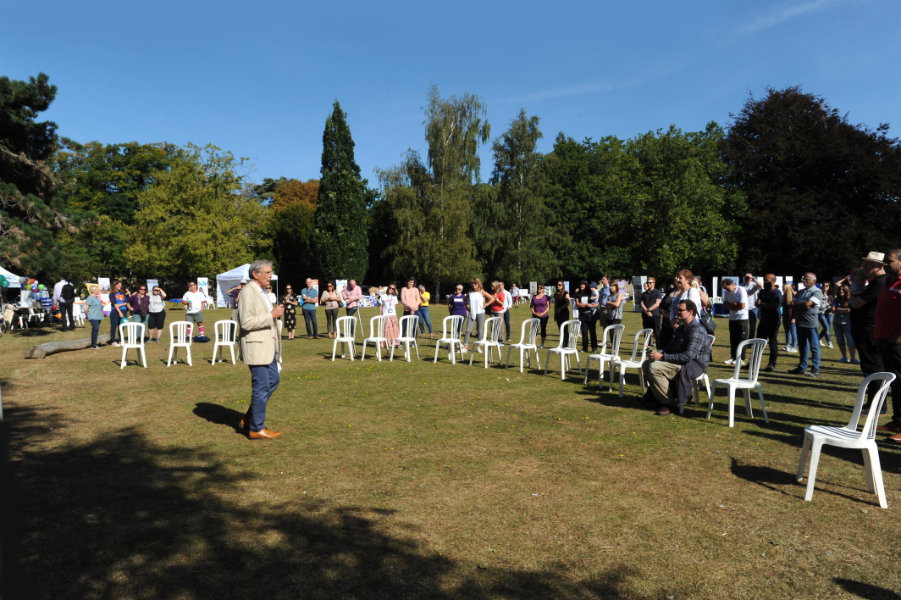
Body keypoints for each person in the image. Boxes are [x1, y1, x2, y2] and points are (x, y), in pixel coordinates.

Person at [236, 259, 284, 440]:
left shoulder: (261, 291)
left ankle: (249, 420)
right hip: (256, 347)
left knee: (273, 381)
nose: (270, 276)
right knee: (262, 385)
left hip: (268, 346)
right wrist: (271, 315)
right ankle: (256, 428)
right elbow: (246, 322)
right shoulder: (248, 292)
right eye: (267, 273)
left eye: (271, 272)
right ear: (255, 274)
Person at [640, 299, 710, 416]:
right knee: (646, 364)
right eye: (677, 310)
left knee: (654, 367)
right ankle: (659, 399)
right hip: (682, 360)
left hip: (695, 364)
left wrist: (662, 357)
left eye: (680, 310)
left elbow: (688, 356)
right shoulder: (681, 328)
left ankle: (669, 404)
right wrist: (657, 352)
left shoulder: (697, 330)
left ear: (690, 312)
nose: (677, 312)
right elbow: (671, 348)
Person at [851, 253, 887, 410]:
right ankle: (875, 402)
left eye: (868, 265)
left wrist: (853, 299)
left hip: (869, 329)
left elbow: (857, 303)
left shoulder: (879, 282)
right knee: (870, 366)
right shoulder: (875, 282)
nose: (864, 268)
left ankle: (877, 403)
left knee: (873, 366)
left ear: (879, 266)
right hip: (865, 328)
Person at [874, 249, 901, 442]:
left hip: (897, 342)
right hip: (884, 339)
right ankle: (897, 420)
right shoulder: (888, 282)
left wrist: (898, 336)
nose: (885, 264)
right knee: (895, 383)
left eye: (889, 261)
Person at [787, 273, 823, 377]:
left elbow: (807, 305)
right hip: (800, 323)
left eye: (806, 279)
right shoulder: (801, 292)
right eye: (803, 279)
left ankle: (815, 369)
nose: (804, 281)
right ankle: (802, 367)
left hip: (811, 324)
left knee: (814, 347)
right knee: (802, 347)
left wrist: (801, 305)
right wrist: (802, 305)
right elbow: (791, 304)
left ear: (813, 281)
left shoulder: (817, 291)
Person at [755, 274, 783, 372]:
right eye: (764, 280)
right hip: (763, 320)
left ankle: (771, 363)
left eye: (767, 280)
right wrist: (763, 304)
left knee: (772, 342)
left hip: (774, 320)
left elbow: (774, 306)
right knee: (758, 342)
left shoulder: (777, 293)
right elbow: (757, 303)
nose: (765, 282)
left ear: (773, 281)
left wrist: (762, 304)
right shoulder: (762, 292)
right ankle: (754, 362)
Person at [721, 278, 749, 365]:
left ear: (732, 284)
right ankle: (733, 357)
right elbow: (725, 304)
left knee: (742, 338)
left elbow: (742, 305)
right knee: (733, 339)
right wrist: (734, 305)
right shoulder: (727, 292)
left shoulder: (741, 291)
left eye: (727, 288)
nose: (726, 290)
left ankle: (741, 358)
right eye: (725, 289)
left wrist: (733, 306)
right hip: (732, 318)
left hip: (742, 318)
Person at [831, 280, 857, 364]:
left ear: (846, 291)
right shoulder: (836, 299)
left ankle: (853, 358)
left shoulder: (851, 299)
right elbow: (833, 310)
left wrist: (839, 310)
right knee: (840, 341)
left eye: (843, 290)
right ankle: (844, 357)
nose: (841, 291)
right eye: (840, 290)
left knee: (850, 341)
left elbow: (850, 310)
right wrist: (844, 310)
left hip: (848, 323)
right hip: (837, 323)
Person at [463, 278, 492, 352]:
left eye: (475, 283)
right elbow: (464, 300)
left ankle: (478, 346)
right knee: (468, 330)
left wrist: (486, 304)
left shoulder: (482, 292)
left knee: (479, 330)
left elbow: (492, 298)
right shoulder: (470, 293)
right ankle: (465, 346)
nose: (473, 285)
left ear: (478, 284)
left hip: (480, 313)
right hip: (472, 312)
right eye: (472, 283)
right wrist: (467, 306)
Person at [574, 281, 597, 353]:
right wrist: (587, 305)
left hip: (591, 314)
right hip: (582, 315)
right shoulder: (577, 294)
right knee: (584, 332)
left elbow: (596, 302)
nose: (582, 286)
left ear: (586, 285)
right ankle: (585, 348)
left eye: (583, 285)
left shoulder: (590, 293)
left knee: (592, 332)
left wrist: (592, 305)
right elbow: (578, 304)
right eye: (581, 284)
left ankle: (594, 348)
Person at [639, 278, 663, 344]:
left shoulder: (657, 292)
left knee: (656, 331)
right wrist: (647, 312)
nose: (648, 284)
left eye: (650, 283)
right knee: (646, 332)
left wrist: (649, 309)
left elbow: (657, 303)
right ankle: (647, 348)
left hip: (655, 314)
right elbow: (642, 303)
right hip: (645, 315)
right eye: (647, 282)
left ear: (654, 283)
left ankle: (658, 347)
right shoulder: (644, 294)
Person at [530, 284, 550, 348]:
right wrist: (535, 313)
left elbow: (548, 307)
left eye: (541, 288)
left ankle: (542, 344)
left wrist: (543, 313)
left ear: (543, 289)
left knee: (543, 330)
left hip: (544, 316)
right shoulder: (534, 297)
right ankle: (534, 344)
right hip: (535, 316)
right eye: (538, 288)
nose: (539, 289)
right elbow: (531, 307)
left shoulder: (546, 297)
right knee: (535, 330)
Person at [109, 281, 128, 346]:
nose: (120, 286)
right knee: (114, 326)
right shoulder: (112, 294)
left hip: (124, 310)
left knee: (121, 326)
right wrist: (119, 312)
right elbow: (114, 304)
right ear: (115, 285)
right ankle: (113, 341)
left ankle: (120, 340)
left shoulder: (123, 293)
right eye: (119, 285)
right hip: (115, 312)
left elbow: (126, 302)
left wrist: (120, 305)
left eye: (121, 285)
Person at [380, 283, 400, 347]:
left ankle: (395, 343)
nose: (391, 289)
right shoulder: (383, 296)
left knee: (394, 330)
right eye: (390, 288)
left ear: (394, 290)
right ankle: (387, 343)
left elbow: (394, 307)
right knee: (387, 329)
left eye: (393, 288)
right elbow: (380, 307)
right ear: (388, 288)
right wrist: (380, 315)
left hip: (393, 315)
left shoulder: (395, 297)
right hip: (385, 315)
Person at [553, 280, 572, 346]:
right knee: (560, 328)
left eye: (560, 285)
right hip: (558, 314)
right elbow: (556, 304)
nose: (558, 286)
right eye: (557, 285)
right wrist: (555, 314)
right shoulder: (556, 294)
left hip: (564, 313)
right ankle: (562, 342)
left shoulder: (566, 293)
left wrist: (561, 309)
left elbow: (567, 303)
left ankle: (566, 343)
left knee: (565, 328)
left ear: (562, 286)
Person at [743, 273, 762, 338]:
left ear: (751, 278)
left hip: (753, 308)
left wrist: (754, 279)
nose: (747, 279)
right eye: (746, 277)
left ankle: (750, 341)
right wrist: (748, 294)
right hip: (744, 308)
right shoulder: (741, 285)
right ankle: (744, 339)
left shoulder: (754, 284)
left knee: (752, 326)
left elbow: (760, 285)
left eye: (749, 278)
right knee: (744, 326)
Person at [782, 282, 797, 352]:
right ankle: (787, 345)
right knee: (787, 332)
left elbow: (796, 309)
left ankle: (794, 346)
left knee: (793, 332)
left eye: (784, 288)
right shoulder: (784, 297)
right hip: (785, 316)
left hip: (791, 317)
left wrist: (794, 318)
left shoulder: (793, 297)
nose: (783, 289)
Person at [818, 281, 834, 349]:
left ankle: (818, 338)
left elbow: (833, 304)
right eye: (824, 285)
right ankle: (829, 342)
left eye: (827, 286)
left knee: (827, 328)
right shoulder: (819, 294)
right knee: (826, 328)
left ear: (829, 287)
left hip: (829, 313)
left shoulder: (831, 295)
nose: (825, 287)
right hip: (821, 313)